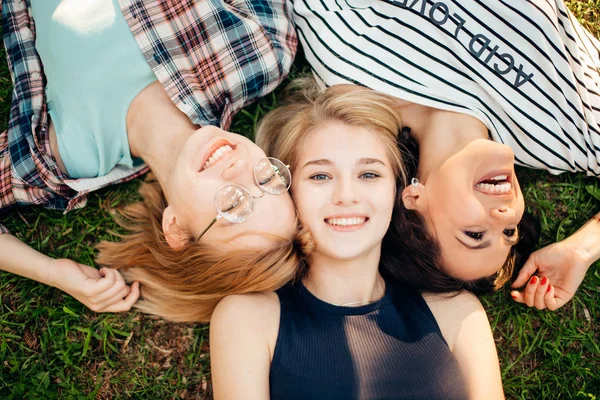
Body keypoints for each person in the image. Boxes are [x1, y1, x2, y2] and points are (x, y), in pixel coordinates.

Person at [0, 0, 299, 322]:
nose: (240, 169)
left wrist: (51, 271)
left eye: (232, 205)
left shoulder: (60, 158)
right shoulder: (260, 54)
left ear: (176, 227)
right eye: (268, 179)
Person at [290, 0, 600, 310]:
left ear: (413, 200)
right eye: (509, 232)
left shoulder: (350, 70)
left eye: (475, 234)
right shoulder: (559, 136)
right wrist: (583, 249)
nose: (508, 216)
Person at [210, 83, 504, 399]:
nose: (346, 196)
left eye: (369, 175)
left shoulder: (458, 316)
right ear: (289, 193)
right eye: (320, 176)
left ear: (397, 189)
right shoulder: (249, 319)